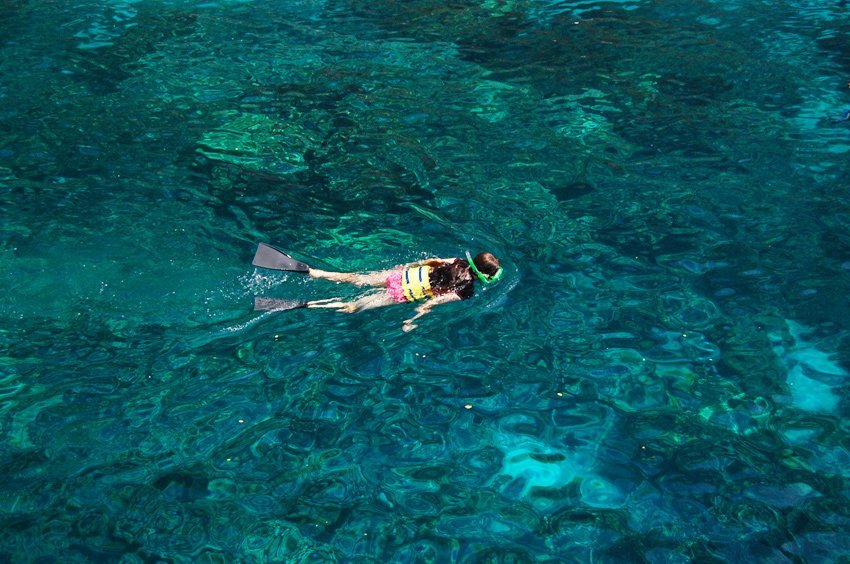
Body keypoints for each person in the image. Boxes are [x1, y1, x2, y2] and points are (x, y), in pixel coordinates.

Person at [251, 243, 503, 332]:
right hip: (402, 293)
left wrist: (404, 267)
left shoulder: (457, 261)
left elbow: (430, 261)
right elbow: (433, 302)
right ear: (484, 276)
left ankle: (314, 272)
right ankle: (304, 304)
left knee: (355, 278)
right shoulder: (466, 291)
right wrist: (413, 320)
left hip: (400, 276)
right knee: (352, 307)